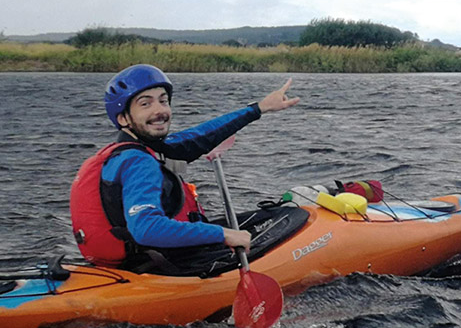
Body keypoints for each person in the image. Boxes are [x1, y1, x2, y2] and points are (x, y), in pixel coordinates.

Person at [70, 63, 299, 271]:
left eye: (163, 101)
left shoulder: (137, 149)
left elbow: (201, 135)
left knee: (272, 217)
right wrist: (223, 234)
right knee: (292, 218)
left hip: (140, 259)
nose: (159, 110)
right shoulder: (138, 161)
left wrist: (259, 108)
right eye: (145, 104)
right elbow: (146, 228)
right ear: (123, 119)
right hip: (157, 264)